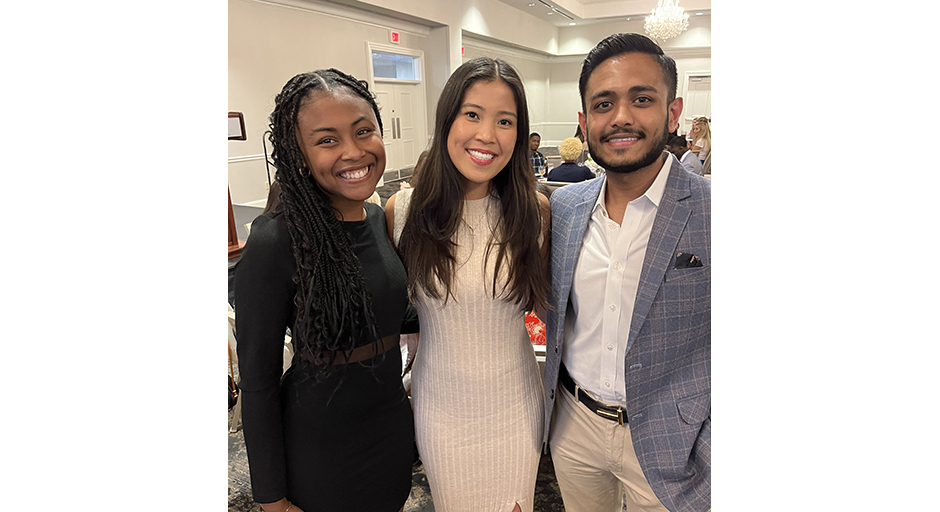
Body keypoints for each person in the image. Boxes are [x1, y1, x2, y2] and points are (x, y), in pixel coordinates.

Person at [234, 69, 417, 512]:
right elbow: (257, 384)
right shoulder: (276, 240)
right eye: (327, 139)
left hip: (390, 429)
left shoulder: (377, 221)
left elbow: (390, 315)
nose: (353, 151)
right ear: (299, 155)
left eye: (363, 131)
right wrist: (271, 497)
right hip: (321, 450)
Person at [542, 33, 711, 512]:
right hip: (575, 424)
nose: (621, 117)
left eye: (642, 99)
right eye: (603, 103)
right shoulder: (566, 208)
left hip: (673, 439)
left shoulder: (713, 212)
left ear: (673, 112)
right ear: (584, 120)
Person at [386, 57, 551, 512]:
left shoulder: (533, 213)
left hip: (514, 407)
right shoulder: (402, 212)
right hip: (441, 408)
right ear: (447, 120)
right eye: (472, 114)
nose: (486, 135)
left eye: (505, 121)